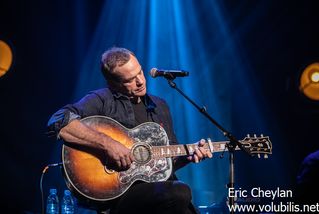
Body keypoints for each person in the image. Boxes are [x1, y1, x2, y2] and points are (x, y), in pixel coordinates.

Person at [47, 47, 213, 214]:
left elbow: (168, 164)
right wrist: (108, 144)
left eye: (140, 72)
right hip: (120, 195)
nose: (140, 81)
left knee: (185, 203)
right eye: (130, 80)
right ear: (113, 83)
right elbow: (58, 121)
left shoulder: (159, 106)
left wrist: (188, 156)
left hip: (161, 192)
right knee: (180, 191)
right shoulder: (102, 100)